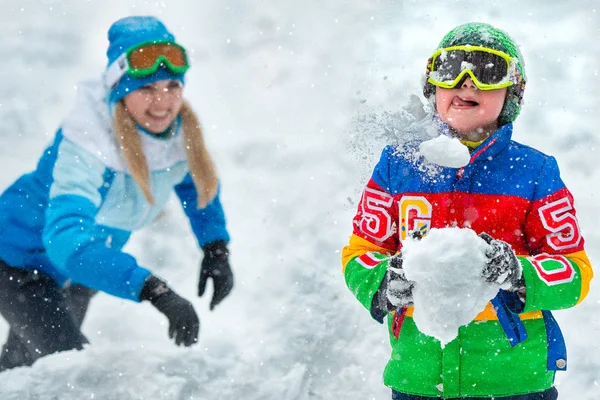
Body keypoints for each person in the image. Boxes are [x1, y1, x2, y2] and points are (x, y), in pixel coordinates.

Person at [342, 22, 593, 399]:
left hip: (514, 380)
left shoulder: (534, 173)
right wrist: (385, 283)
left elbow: (574, 272)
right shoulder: (397, 166)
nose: (467, 81)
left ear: (512, 93)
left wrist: (517, 273)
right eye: (451, 68)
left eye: (488, 71)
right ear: (433, 85)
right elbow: (360, 255)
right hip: (419, 379)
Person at [0, 15, 234, 371]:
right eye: (146, 89)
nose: (162, 102)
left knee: (24, 370)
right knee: (70, 373)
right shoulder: (86, 143)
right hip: (18, 262)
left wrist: (215, 246)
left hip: (81, 270)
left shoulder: (176, 132)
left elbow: (196, 185)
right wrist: (153, 289)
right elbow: (65, 237)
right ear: (120, 91)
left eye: (172, 85)